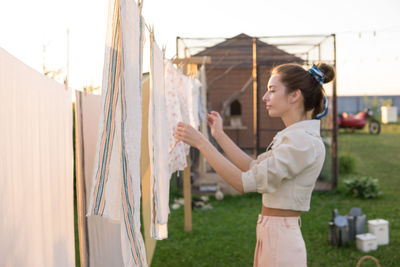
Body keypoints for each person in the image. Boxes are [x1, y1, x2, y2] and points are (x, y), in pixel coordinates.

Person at [174, 62, 335, 267]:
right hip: (274, 234)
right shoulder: (295, 137)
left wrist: (201, 143)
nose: (265, 97)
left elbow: (243, 183)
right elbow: (252, 167)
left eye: (272, 90)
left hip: (281, 240)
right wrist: (220, 136)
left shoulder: (302, 142)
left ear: (294, 96)